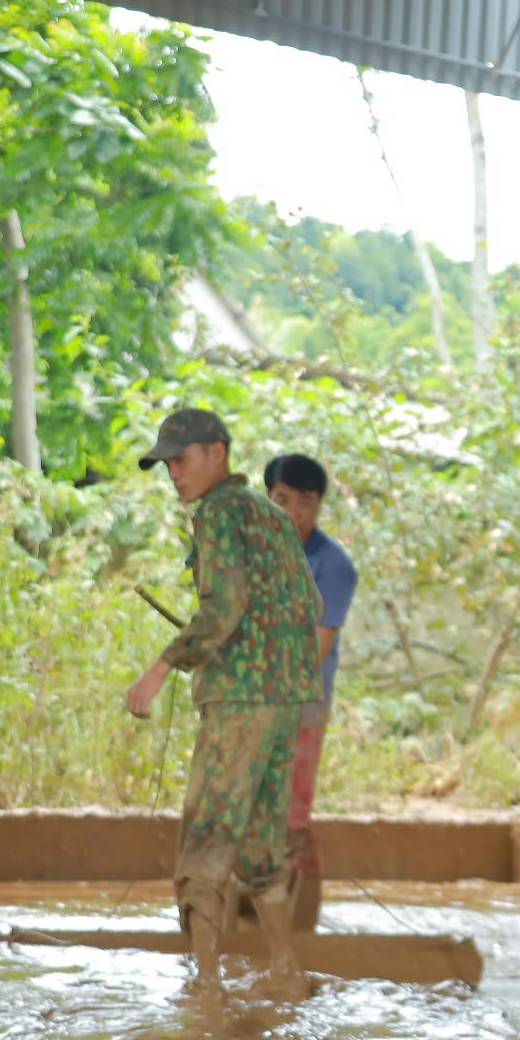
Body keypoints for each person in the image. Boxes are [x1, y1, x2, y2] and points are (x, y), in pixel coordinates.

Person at [124, 408, 322, 986]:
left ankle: (204, 985)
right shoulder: (273, 515)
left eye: (181, 461)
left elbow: (223, 608)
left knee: (207, 837)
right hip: (287, 702)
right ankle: (285, 968)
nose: (174, 475)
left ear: (217, 453)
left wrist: (159, 669)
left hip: (238, 704)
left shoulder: (215, 515)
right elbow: (307, 607)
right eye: (166, 465)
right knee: (261, 843)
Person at [262, 451, 356, 934]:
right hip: (253, 704)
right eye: (282, 501)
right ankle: (253, 916)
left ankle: (302, 924)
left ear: (318, 506)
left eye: (305, 502)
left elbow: (317, 648)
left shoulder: (333, 565)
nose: (293, 513)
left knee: (292, 815)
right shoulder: (254, 555)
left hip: (301, 704)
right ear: (267, 500)